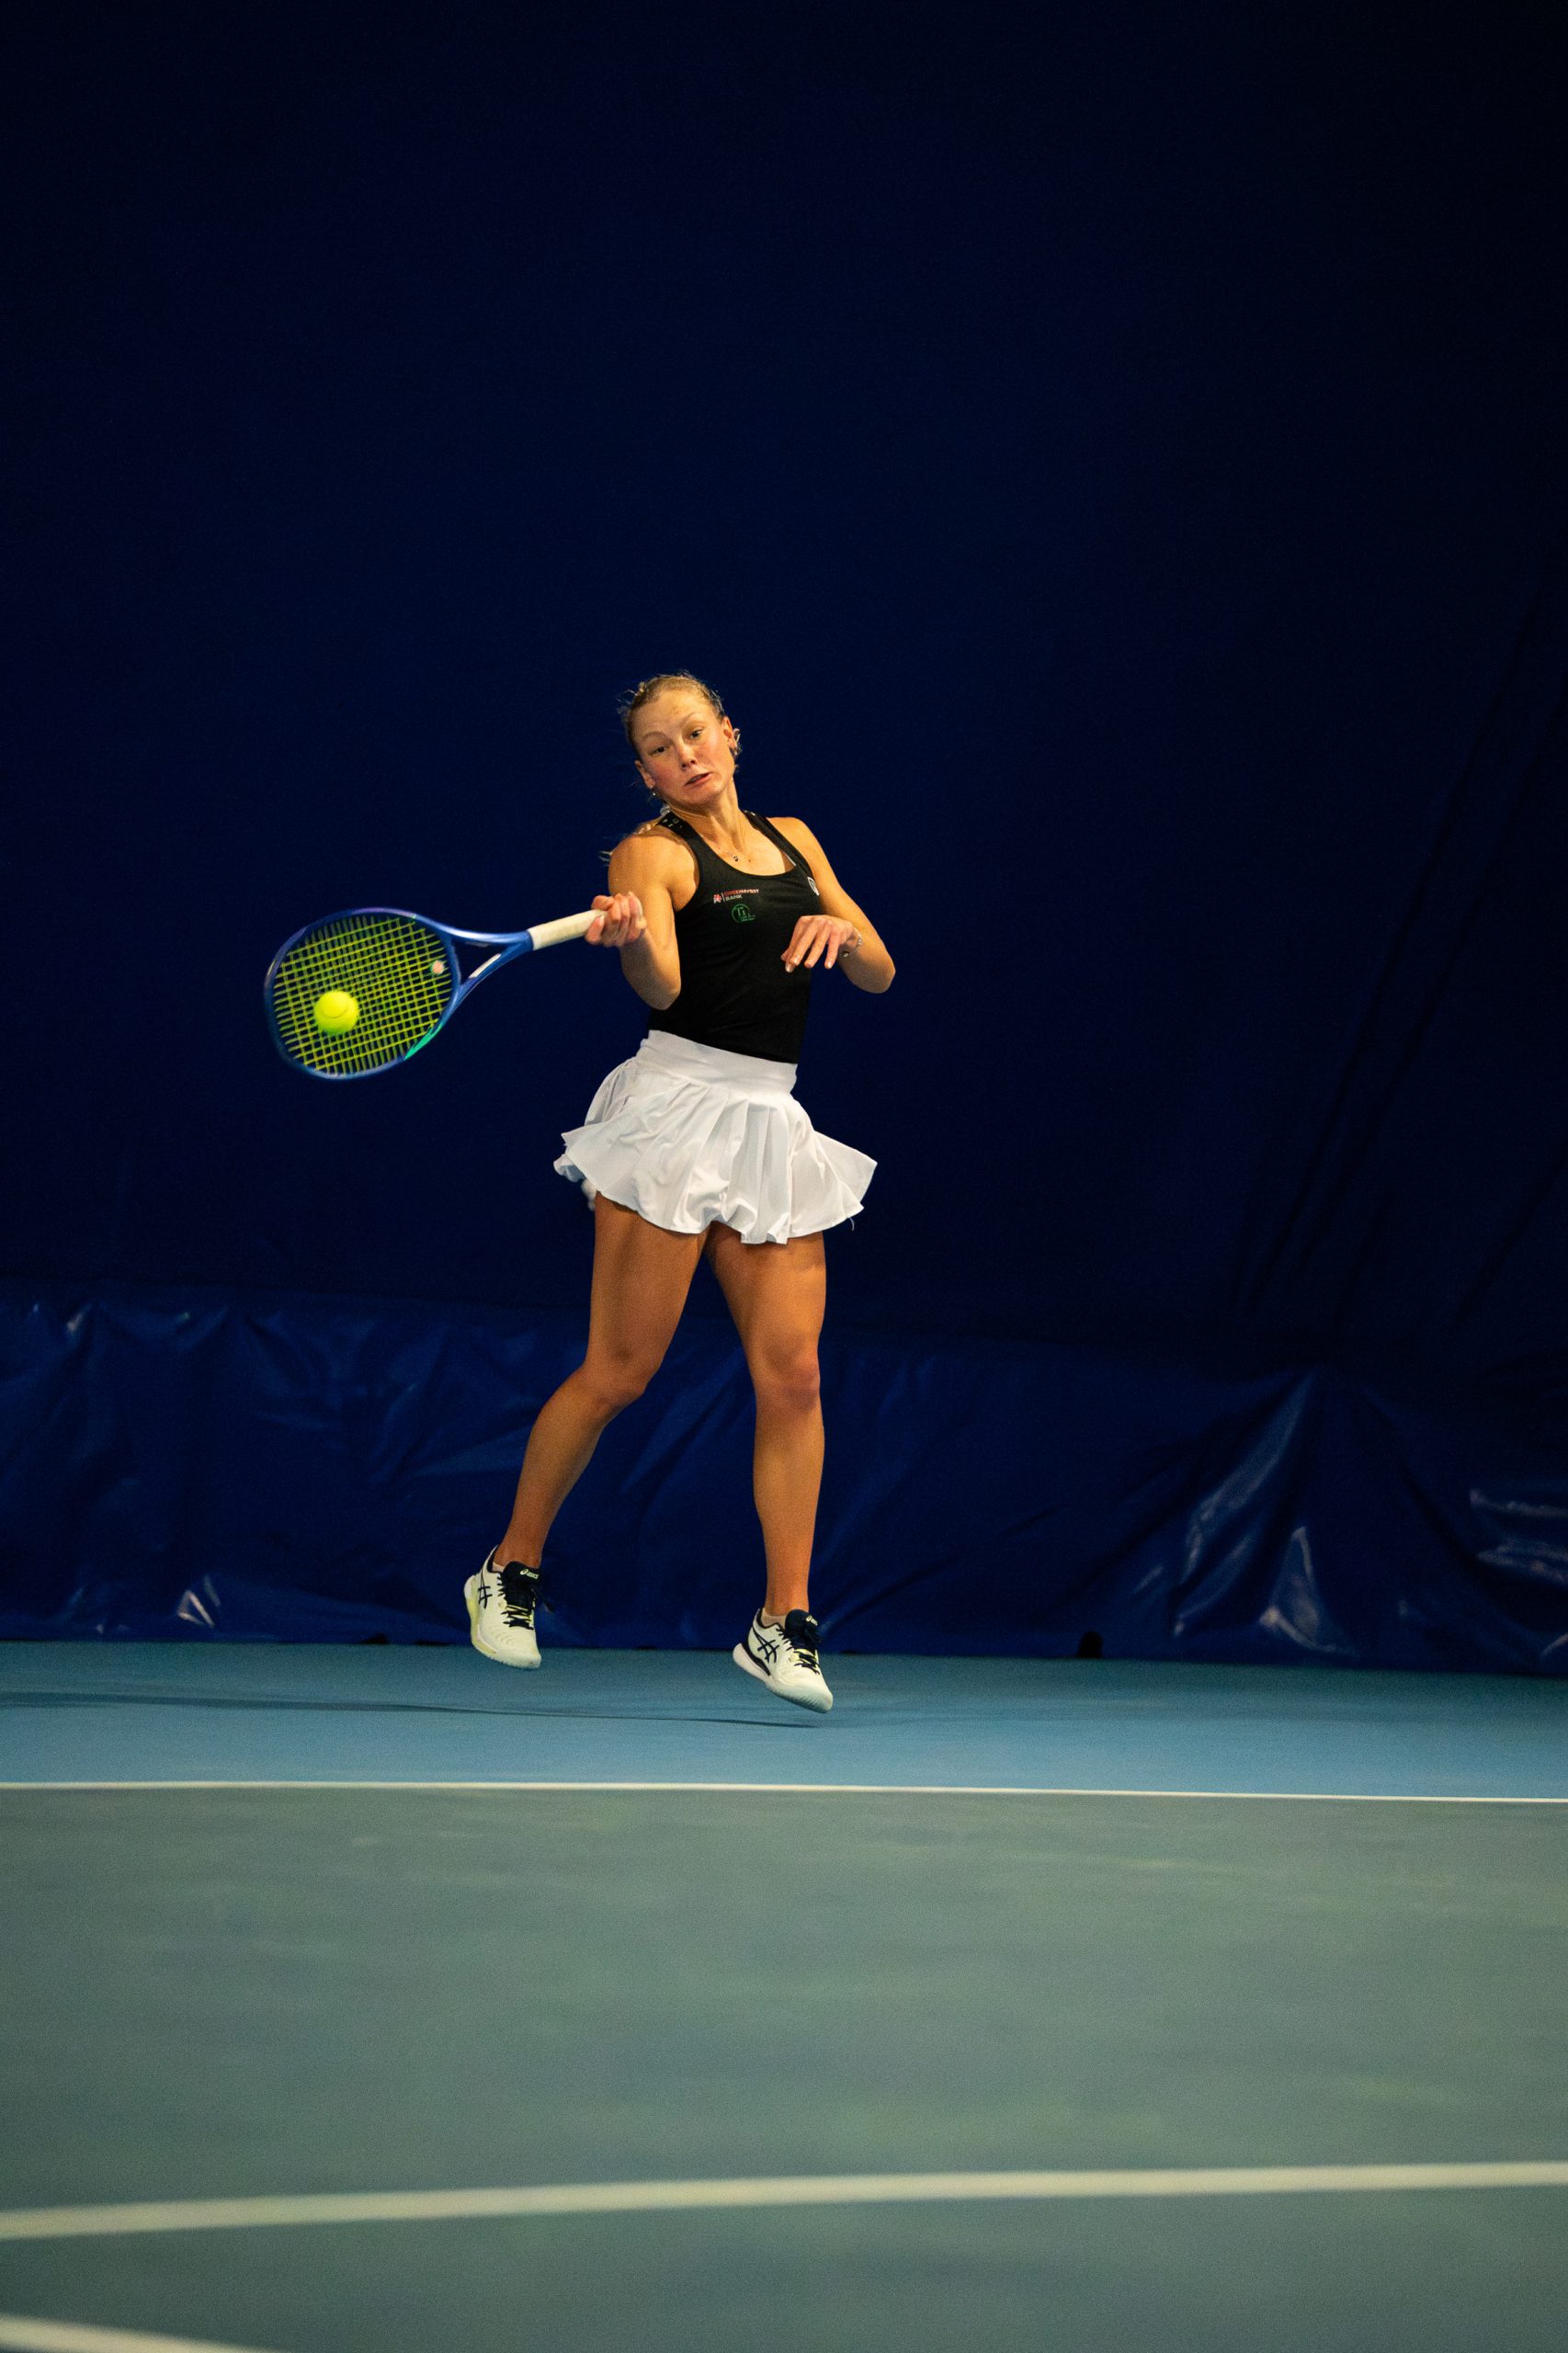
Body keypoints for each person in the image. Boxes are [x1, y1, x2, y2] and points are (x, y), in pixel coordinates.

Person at [464, 671, 894, 1711]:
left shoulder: (795, 839)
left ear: (730, 735)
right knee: (620, 1371)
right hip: (674, 1111)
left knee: (794, 1379)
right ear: (647, 772)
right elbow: (664, 984)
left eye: (695, 733)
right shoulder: (649, 853)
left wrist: (842, 936)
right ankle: (509, 1568)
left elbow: (879, 969)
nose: (684, 756)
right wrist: (633, 940)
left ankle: (782, 1621)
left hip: (768, 1119)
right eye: (659, 748)